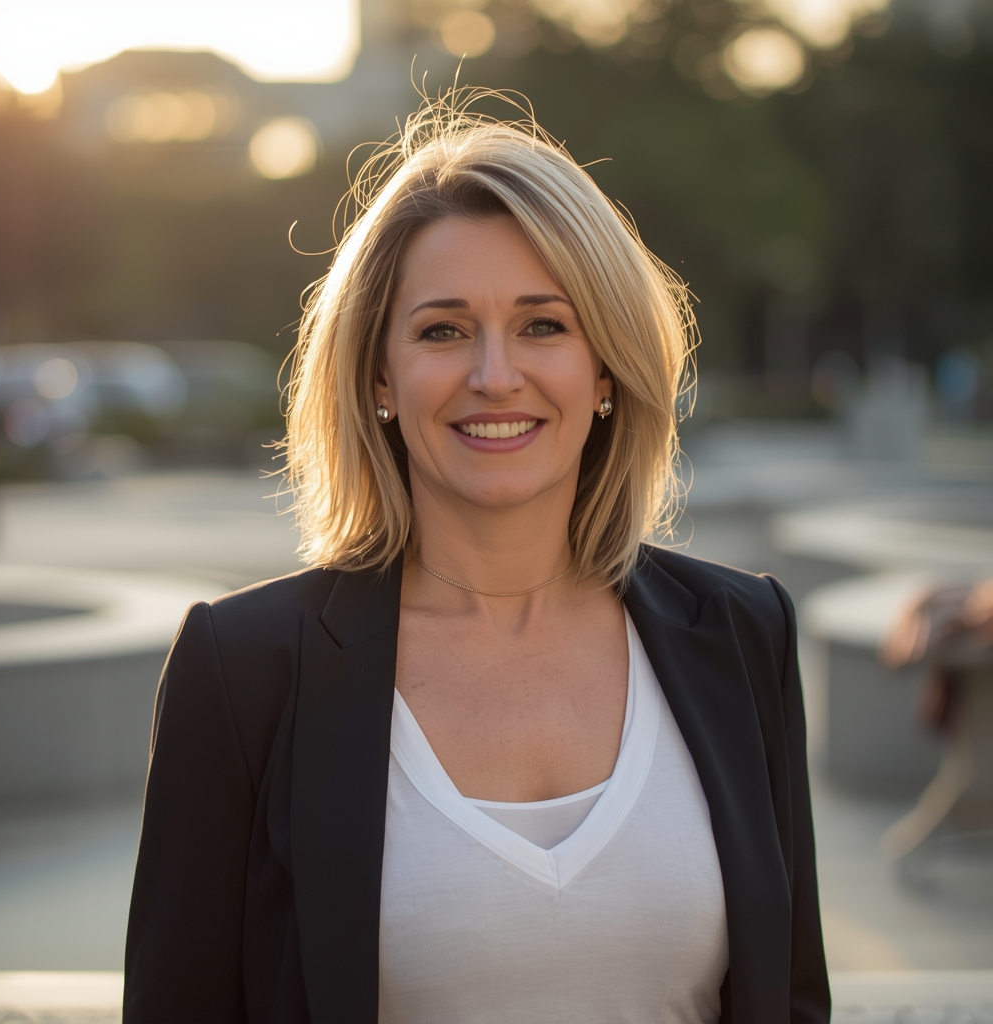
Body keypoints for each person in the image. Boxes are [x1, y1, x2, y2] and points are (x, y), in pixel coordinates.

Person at [124, 91, 829, 1024]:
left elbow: (791, 1002)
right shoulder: (243, 666)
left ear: (605, 368)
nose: (496, 376)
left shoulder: (742, 633)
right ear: (380, 375)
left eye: (545, 325)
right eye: (443, 330)